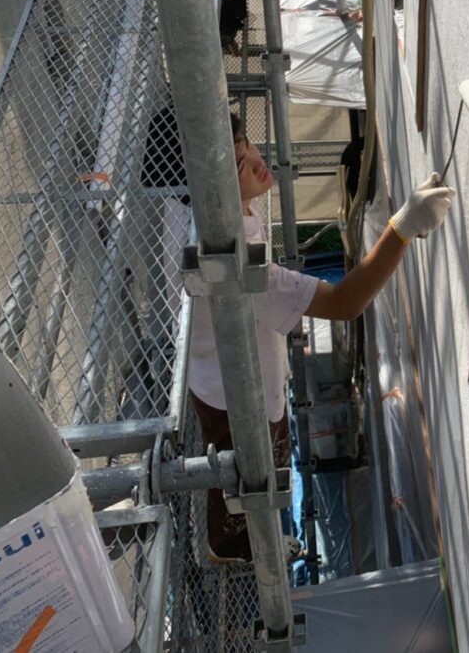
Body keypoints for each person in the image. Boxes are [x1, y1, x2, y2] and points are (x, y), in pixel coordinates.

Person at [188, 112, 454, 562]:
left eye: (247, 145)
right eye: (239, 163)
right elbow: (344, 303)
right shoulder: (235, 261)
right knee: (249, 475)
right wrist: (404, 226)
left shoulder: (200, 210)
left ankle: (241, 534)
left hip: (216, 372)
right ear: (211, 188)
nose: (257, 160)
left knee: (242, 469)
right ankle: (231, 548)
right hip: (237, 396)